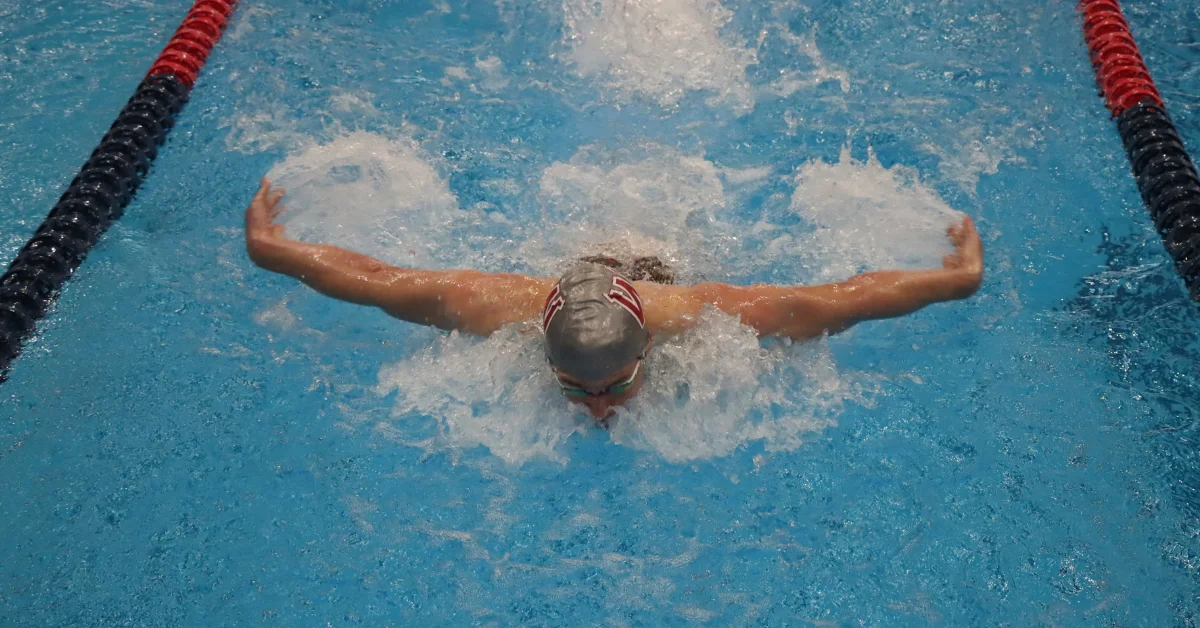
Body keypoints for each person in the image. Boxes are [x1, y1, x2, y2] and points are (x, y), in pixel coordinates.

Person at [245, 178, 983, 420]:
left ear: (647, 348)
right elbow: (374, 280)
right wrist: (271, 249)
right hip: (576, 270)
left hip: (657, 266)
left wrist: (957, 280)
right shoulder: (489, 306)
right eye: (575, 388)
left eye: (616, 386)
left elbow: (844, 299)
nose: (598, 410)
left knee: (664, 251)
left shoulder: (708, 315)